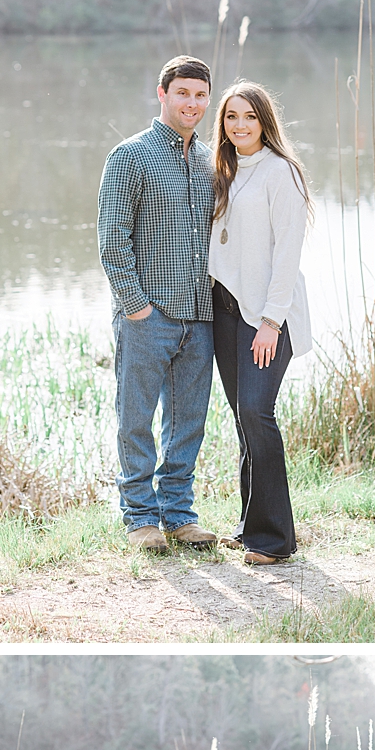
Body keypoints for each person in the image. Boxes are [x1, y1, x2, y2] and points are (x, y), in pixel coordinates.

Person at [97, 55, 221, 554]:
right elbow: (112, 239)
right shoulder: (130, 156)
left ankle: (179, 513)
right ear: (162, 93)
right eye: (183, 93)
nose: (191, 103)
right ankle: (141, 518)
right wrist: (135, 306)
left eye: (199, 95)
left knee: (188, 421)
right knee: (135, 417)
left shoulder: (213, 160)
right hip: (148, 315)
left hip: (201, 313)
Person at [206, 82, 312, 564]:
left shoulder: (280, 172)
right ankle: (251, 526)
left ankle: (275, 540)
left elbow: (288, 252)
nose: (240, 126)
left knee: (257, 411)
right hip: (226, 312)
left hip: (267, 316)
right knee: (242, 418)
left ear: (265, 121)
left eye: (249, 117)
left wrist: (271, 321)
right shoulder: (224, 170)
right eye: (231, 117)